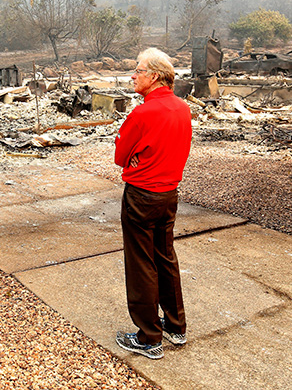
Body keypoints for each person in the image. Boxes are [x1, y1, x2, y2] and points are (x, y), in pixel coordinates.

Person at [114, 47, 192, 360]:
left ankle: (148, 337)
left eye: (139, 70)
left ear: (155, 76)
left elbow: (120, 156)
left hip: (141, 195)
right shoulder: (183, 109)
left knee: (141, 263)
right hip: (169, 194)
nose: (133, 75)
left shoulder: (142, 113)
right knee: (165, 257)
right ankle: (176, 325)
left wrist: (135, 157)